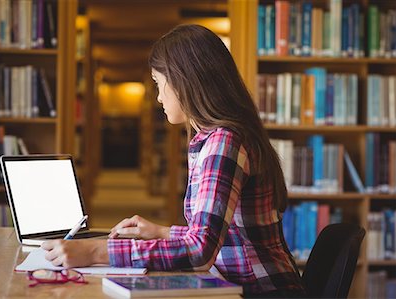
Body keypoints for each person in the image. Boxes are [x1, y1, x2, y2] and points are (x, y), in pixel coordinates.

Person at [42, 24, 305, 298]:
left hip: (261, 292)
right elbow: (220, 237)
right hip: (239, 284)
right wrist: (163, 232)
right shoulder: (216, 138)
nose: (157, 97)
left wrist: (95, 251)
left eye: (158, 82)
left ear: (184, 80)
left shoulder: (224, 142)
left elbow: (200, 252)